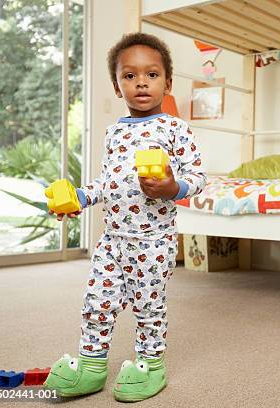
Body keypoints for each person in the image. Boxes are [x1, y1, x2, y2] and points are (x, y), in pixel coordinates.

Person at [43, 32, 206, 402]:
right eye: (129, 76)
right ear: (118, 87)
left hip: (152, 242)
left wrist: (171, 187)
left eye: (151, 74)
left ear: (167, 82)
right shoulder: (115, 131)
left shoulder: (176, 129)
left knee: (148, 306)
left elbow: (198, 178)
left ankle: (151, 365)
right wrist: (80, 198)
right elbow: (108, 180)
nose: (141, 82)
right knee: (97, 300)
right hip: (112, 240)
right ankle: (91, 364)